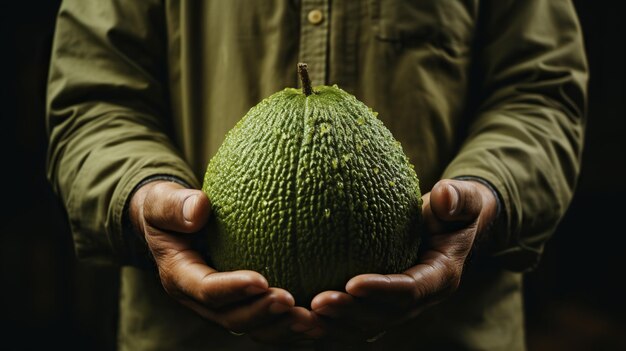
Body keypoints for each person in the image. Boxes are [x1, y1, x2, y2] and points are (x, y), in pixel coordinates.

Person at [45, 0, 588, 350]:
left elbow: (540, 94)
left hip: (445, 332)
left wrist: (488, 192)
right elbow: (95, 99)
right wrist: (143, 196)